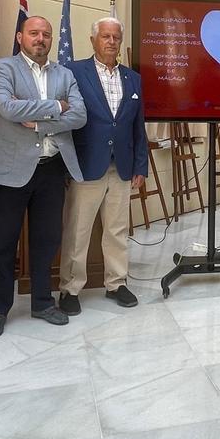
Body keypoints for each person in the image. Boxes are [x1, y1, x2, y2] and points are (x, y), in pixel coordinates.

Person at [0, 16, 86, 337]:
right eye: (34, 33)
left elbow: (80, 115)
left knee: (46, 241)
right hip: (11, 170)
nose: (40, 39)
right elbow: (7, 109)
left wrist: (40, 122)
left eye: (46, 34)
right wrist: (58, 105)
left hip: (52, 168)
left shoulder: (64, 73)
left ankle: (43, 302)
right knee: (3, 243)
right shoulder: (1, 68)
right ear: (20, 36)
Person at [59, 17, 147, 313]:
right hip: (86, 166)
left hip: (121, 167)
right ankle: (70, 289)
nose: (111, 42)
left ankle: (116, 283)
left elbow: (137, 126)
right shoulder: (74, 72)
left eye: (116, 37)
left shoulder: (133, 79)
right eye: (105, 36)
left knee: (117, 230)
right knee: (78, 230)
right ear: (93, 39)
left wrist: (140, 165)